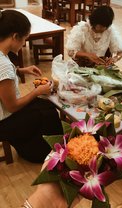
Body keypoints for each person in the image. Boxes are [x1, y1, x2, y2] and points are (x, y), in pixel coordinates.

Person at [0, 10, 63, 163]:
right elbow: (12, 107)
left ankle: (49, 145)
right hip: (4, 122)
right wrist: (36, 92)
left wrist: (21, 70)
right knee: (47, 114)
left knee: (46, 105)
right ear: (15, 36)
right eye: (24, 40)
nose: (23, 44)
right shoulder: (3, 65)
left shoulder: (3, 57)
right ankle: (39, 153)